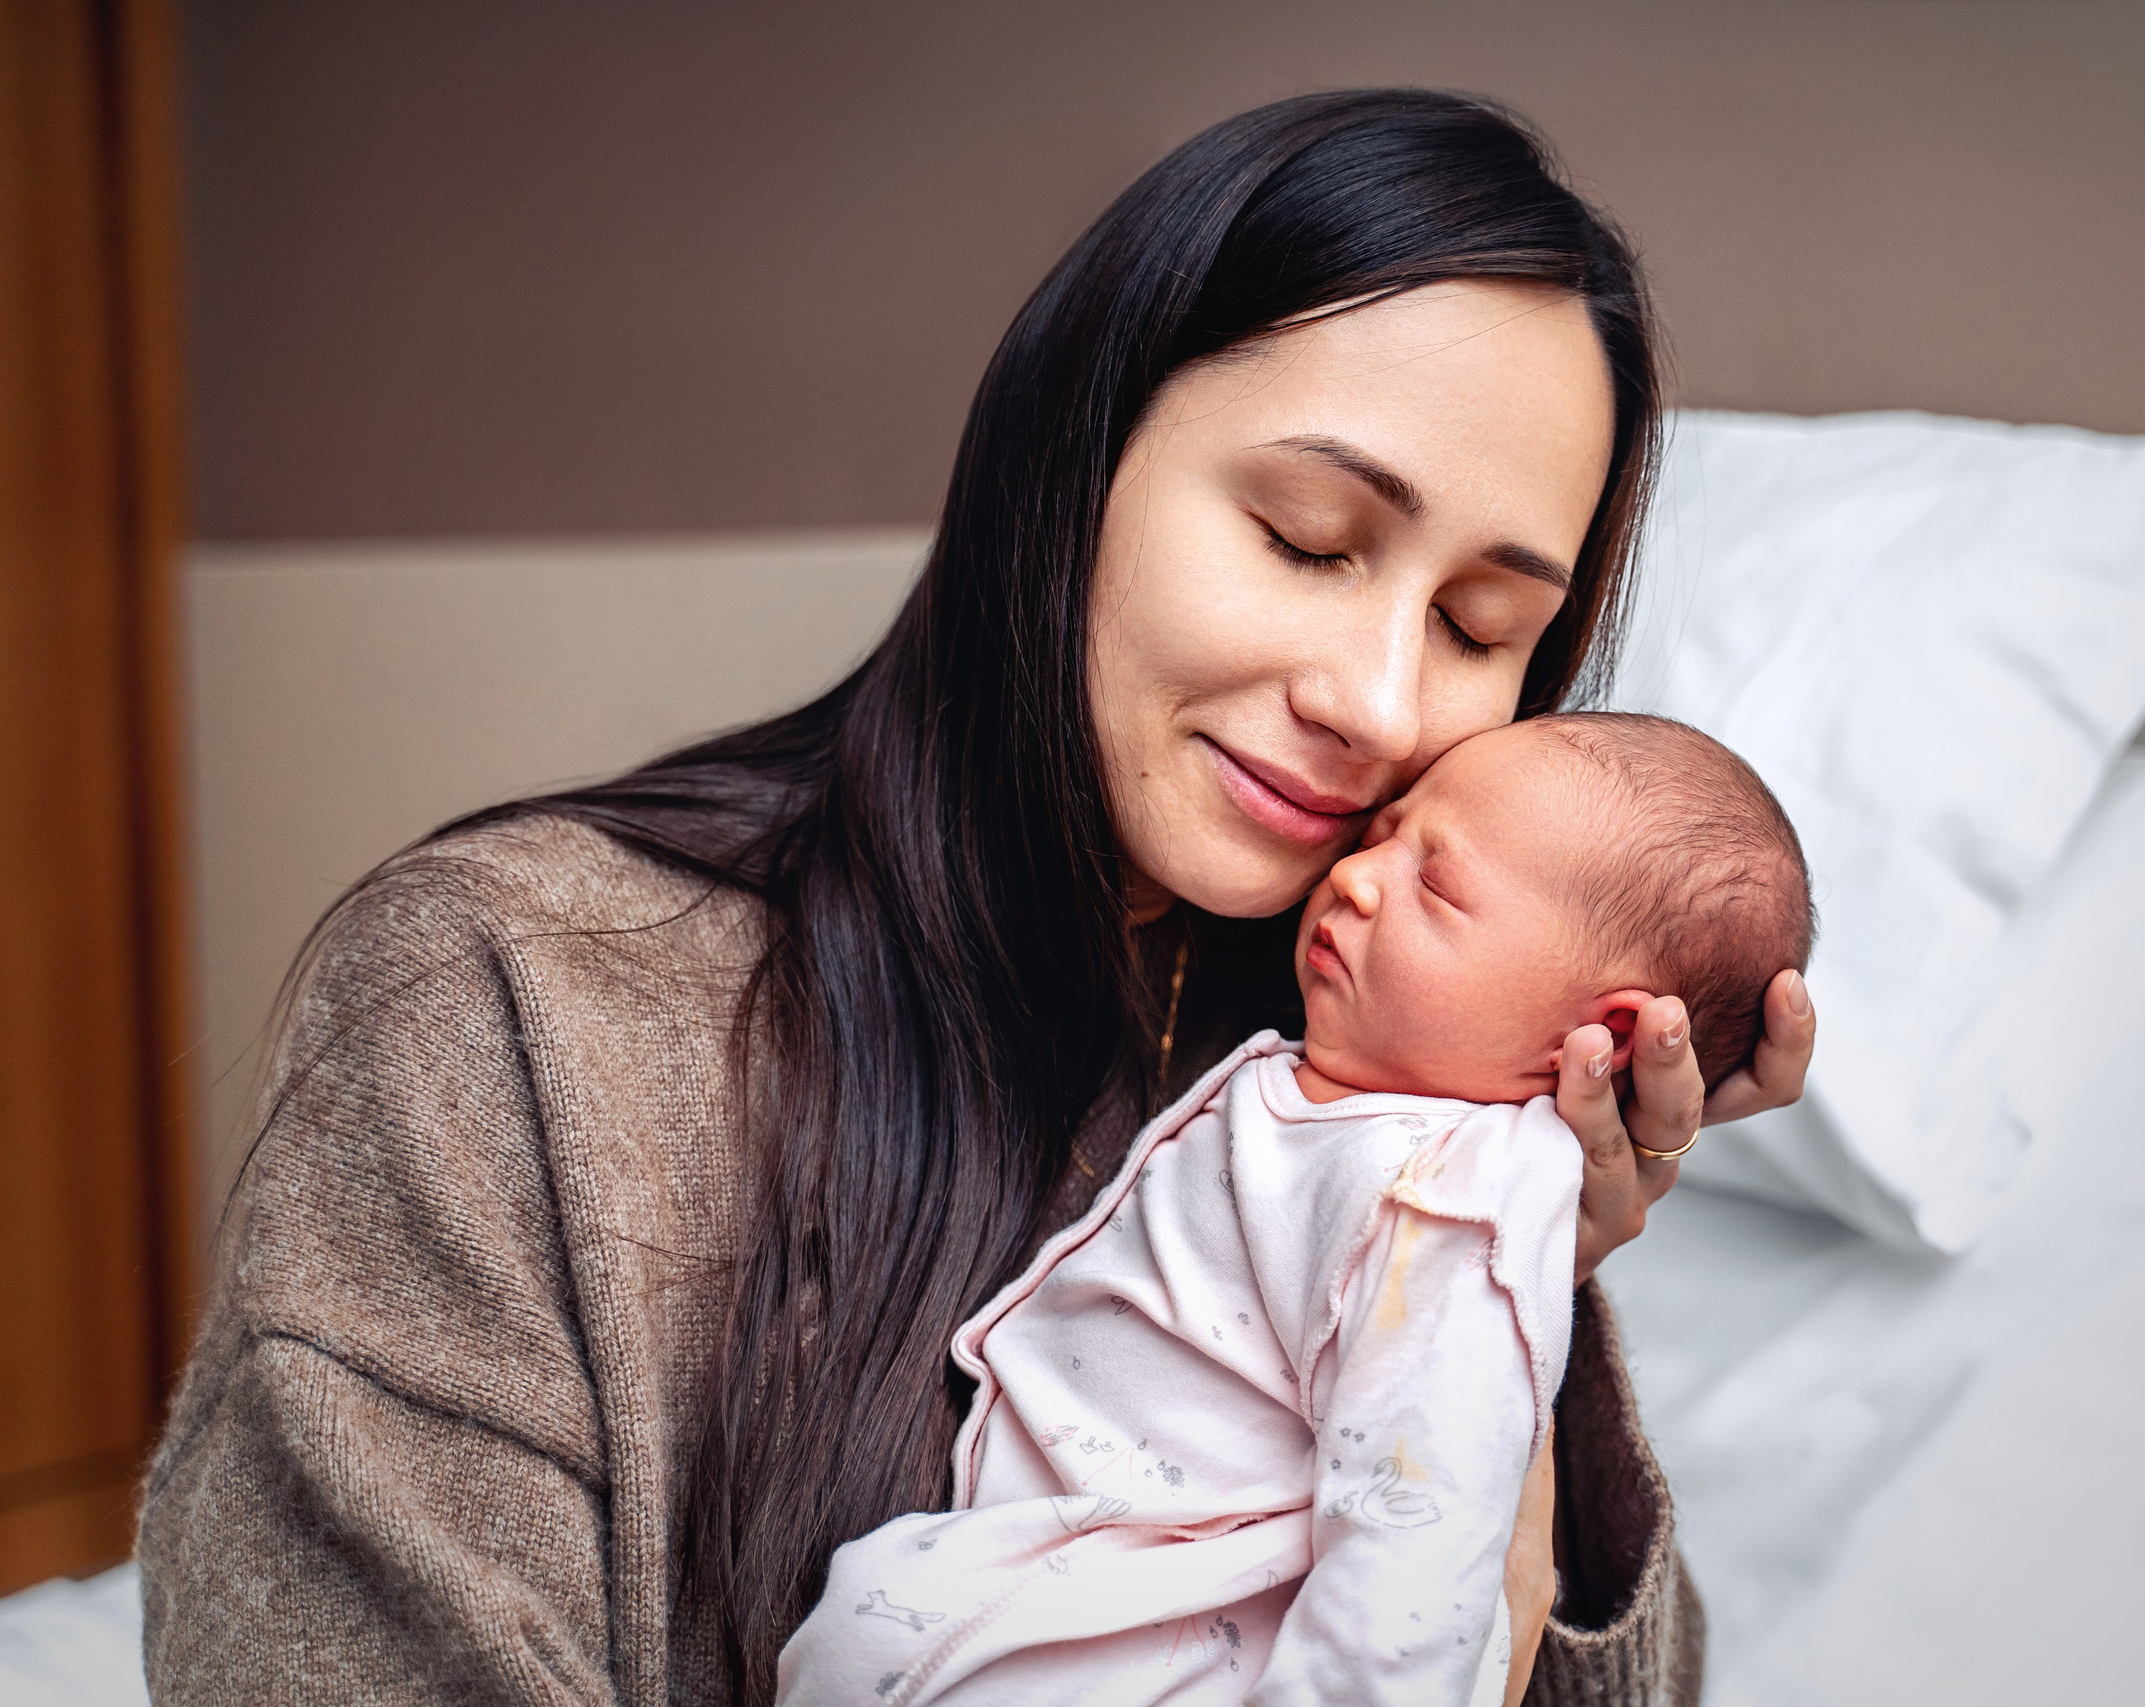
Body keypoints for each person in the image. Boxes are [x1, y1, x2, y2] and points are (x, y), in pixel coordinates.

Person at [137, 90, 1815, 1707]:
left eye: (1475, 628)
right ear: (1069, 459)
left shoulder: (1352, 1095)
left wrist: (1516, 1282)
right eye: (1309, 538)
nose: (1379, 703)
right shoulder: (511, 998)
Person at [777, 714, 1812, 1706]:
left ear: (1607, 1037)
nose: (1355, 878)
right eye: (1381, 836)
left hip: (1175, 1646)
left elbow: (1409, 1567)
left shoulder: (1450, 1204)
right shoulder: (1357, 1110)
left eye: (1434, 884)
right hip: (1077, 1590)